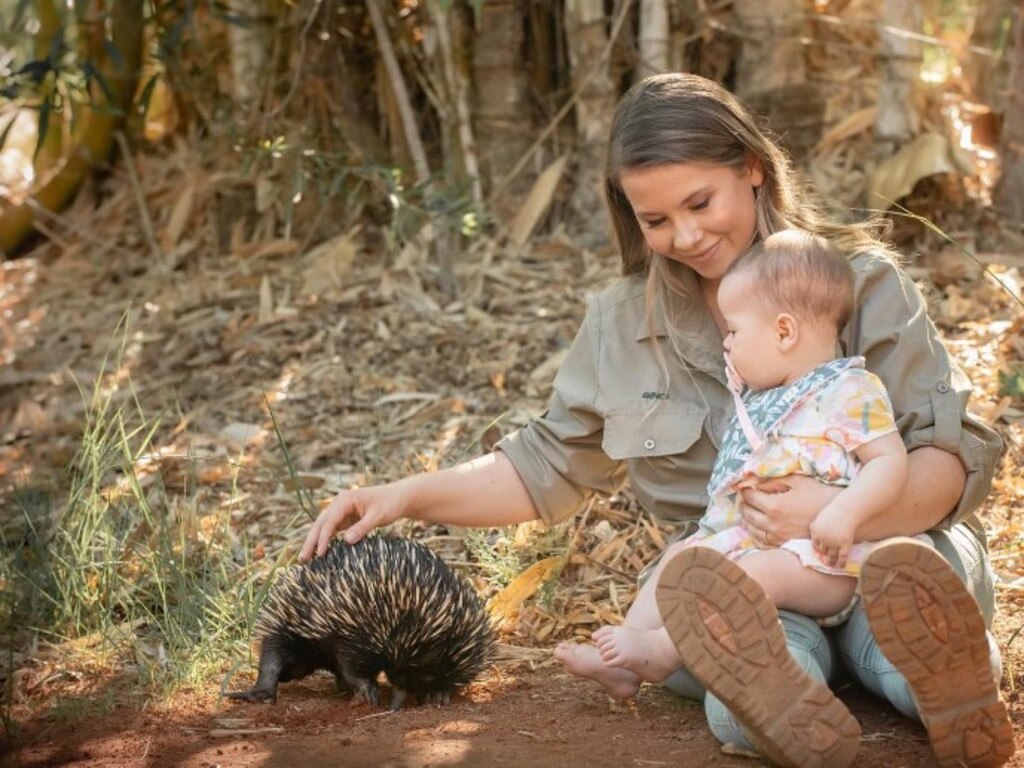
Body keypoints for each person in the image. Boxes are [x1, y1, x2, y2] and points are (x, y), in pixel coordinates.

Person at [300, 73, 1015, 768]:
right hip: (734, 575)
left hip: (890, 550)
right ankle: (785, 702)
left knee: (902, 628)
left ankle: (940, 689)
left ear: (753, 169)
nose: (687, 235)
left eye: (701, 202)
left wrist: (836, 514)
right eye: (656, 220)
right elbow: (546, 464)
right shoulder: (621, 323)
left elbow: (945, 459)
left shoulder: (859, 282)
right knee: (731, 667)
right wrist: (407, 496)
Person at [588, 228, 915, 693]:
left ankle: (666, 652)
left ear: (784, 331)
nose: (727, 344)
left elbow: (889, 461)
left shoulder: (847, 390)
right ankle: (626, 663)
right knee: (682, 560)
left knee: (751, 575)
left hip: (823, 563)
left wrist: (844, 512)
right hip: (749, 544)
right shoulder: (766, 397)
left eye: (735, 331)